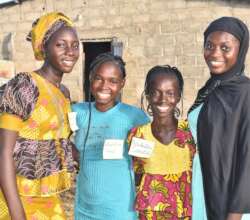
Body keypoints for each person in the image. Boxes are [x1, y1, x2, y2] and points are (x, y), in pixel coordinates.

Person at [0, 12, 79, 220]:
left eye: (75, 45)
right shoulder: (25, 85)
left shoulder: (64, 93)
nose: (70, 52)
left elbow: (57, 140)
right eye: (61, 45)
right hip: (15, 195)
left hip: (47, 196)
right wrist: (17, 214)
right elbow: (3, 152)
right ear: (44, 47)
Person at [72, 52, 150, 220]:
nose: (104, 86)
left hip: (120, 209)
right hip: (84, 209)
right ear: (90, 79)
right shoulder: (78, 112)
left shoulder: (134, 117)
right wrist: (75, 154)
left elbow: (144, 162)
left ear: (122, 83)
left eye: (113, 81)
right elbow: (59, 137)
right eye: (98, 78)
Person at [188, 16, 250, 220]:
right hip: (203, 189)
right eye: (209, 46)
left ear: (240, 50)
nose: (214, 54)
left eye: (225, 48)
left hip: (232, 204)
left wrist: (235, 213)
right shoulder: (209, 90)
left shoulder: (246, 94)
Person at [127, 65, 195, 220]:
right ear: (148, 96)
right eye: (156, 93)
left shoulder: (189, 133)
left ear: (178, 96)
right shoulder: (138, 135)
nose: (163, 99)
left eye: (170, 93)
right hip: (150, 213)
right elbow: (137, 176)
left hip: (184, 212)